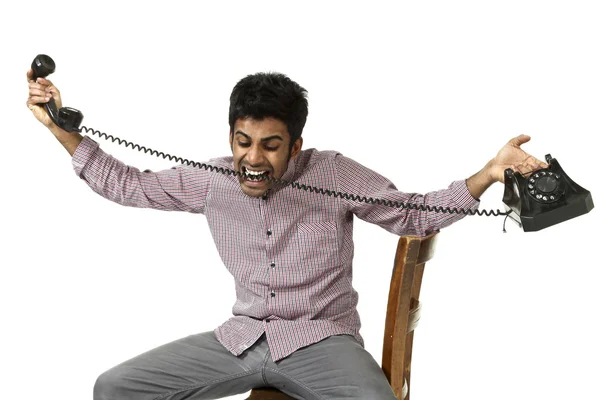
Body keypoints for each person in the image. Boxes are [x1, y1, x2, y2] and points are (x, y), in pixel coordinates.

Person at [26, 69, 547, 400]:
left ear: (296, 145)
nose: (253, 159)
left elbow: (411, 214)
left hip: (323, 339)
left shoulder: (334, 173)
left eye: (270, 145)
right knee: (115, 388)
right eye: (243, 141)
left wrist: (486, 174)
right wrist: (58, 128)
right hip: (242, 340)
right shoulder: (211, 180)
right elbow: (125, 184)